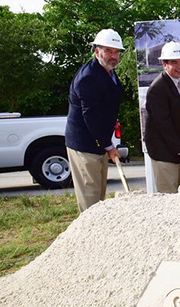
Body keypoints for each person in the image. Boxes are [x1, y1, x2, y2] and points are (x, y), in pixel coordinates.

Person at [65, 29, 124, 212]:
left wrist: (106, 145)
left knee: (99, 195)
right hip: (84, 145)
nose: (113, 56)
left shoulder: (109, 73)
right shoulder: (89, 77)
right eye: (108, 51)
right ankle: (86, 238)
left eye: (116, 52)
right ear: (97, 52)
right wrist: (109, 146)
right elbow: (91, 117)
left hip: (97, 142)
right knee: (90, 199)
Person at [144, 42, 180, 193]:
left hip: (175, 148)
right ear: (164, 64)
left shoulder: (179, 81)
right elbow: (163, 125)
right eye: (173, 62)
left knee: (177, 193)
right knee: (168, 197)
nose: (179, 66)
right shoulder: (158, 89)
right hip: (163, 151)